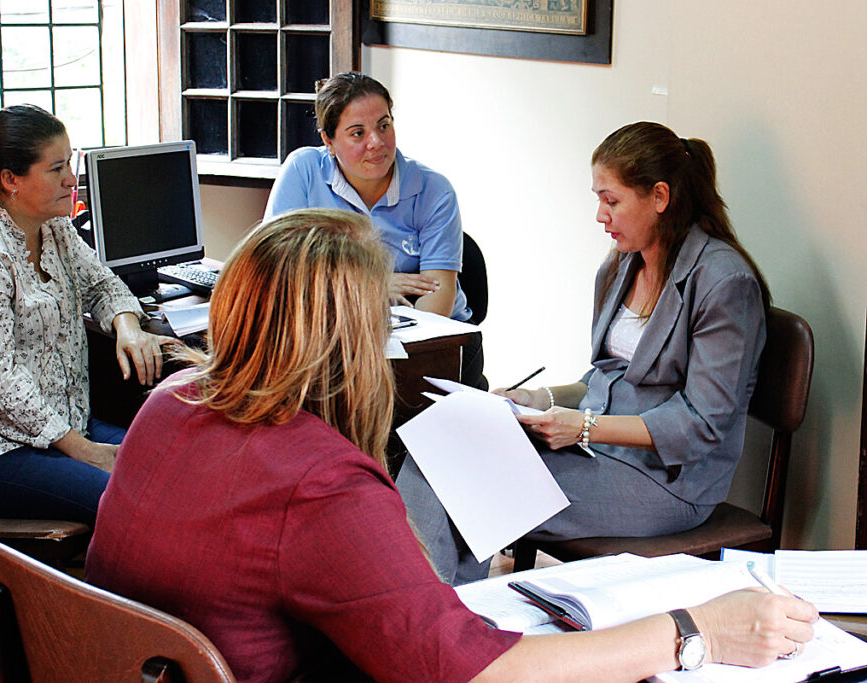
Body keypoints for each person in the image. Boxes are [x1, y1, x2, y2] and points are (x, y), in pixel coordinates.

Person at [85, 208, 815, 683]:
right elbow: (472, 671)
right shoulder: (322, 483)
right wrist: (696, 631)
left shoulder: (167, 406)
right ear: (358, 339)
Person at [399, 121, 773, 585]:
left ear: (659, 197)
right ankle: (440, 622)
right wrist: (539, 400)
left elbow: (703, 423)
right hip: (596, 451)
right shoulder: (620, 266)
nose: (600, 215)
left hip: (668, 483)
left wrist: (586, 427)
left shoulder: (724, 283)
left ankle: (427, 626)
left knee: (466, 480)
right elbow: (605, 380)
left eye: (611, 200)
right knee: (439, 447)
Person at [0, 104, 175, 525]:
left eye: (70, 162)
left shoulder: (53, 227)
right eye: (56, 169)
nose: (71, 178)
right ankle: (95, 592)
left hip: (55, 428)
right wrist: (87, 452)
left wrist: (129, 328)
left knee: (176, 470)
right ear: (10, 180)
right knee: (133, 498)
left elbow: (100, 283)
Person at [264, 71, 486, 388]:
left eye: (384, 125)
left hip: (432, 343)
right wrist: (374, 285)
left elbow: (436, 304)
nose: (377, 143)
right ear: (329, 141)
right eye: (357, 133)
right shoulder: (303, 171)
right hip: (332, 335)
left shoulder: (434, 190)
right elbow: (278, 271)